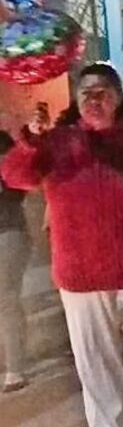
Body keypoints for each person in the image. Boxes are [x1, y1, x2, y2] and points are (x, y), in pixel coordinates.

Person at [2, 63, 123, 427]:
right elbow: (16, 176)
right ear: (75, 101)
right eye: (85, 93)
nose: (94, 100)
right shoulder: (56, 139)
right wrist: (30, 139)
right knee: (95, 360)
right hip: (79, 271)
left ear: (118, 97)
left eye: (102, 92)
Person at [0, 131, 29, 393]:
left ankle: (15, 367)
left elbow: (19, 186)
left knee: (6, 297)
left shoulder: (3, 145)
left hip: (7, 231)